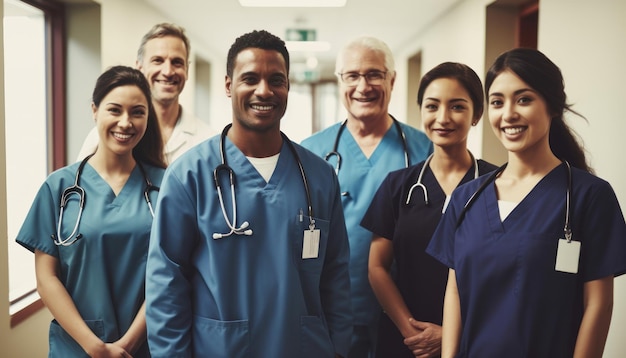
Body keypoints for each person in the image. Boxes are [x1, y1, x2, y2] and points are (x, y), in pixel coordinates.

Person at [145, 29, 352, 358]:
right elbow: (166, 285)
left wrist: (341, 350)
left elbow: (337, 278)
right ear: (228, 85)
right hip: (222, 349)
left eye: (276, 80)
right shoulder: (189, 176)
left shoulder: (320, 176)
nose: (264, 91)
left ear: (288, 87)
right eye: (250, 78)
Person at [426, 48, 626, 357]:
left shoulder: (588, 196)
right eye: (497, 102)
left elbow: (598, 303)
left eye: (524, 99)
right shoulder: (467, 198)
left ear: (552, 106)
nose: (508, 114)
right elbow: (455, 290)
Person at [15, 65, 166, 357]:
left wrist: (127, 345)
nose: (126, 122)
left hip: (144, 346)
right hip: (76, 346)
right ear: (95, 110)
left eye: (137, 112)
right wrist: (93, 346)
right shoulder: (59, 187)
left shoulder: (166, 187)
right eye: (115, 110)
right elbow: (47, 279)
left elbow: (170, 274)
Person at [301, 36, 433, 357]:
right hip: (330, 306)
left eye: (374, 74)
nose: (364, 86)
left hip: (406, 311)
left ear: (392, 79)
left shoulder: (424, 150)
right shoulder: (310, 153)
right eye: (353, 76)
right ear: (340, 81)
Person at [362, 62, 497, 358]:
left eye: (457, 107)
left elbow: (502, 276)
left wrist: (450, 336)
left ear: (476, 115)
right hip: (407, 342)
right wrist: (412, 332)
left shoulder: (497, 185)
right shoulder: (398, 185)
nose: (443, 118)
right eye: (432, 106)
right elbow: (377, 267)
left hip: (474, 340)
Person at [77, 22, 214, 164]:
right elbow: (79, 180)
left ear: (186, 70)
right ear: (140, 68)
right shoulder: (105, 136)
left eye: (177, 62)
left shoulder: (207, 141)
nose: (168, 71)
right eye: (158, 61)